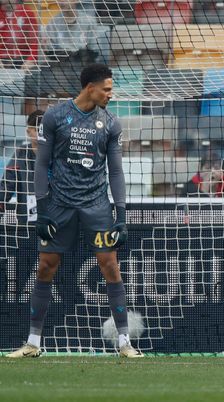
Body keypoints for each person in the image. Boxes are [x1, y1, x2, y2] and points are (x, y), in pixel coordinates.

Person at [6, 64, 142, 358]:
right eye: (106, 88)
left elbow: (115, 172)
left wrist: (121, 214)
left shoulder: (111, 123)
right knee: (44, 268)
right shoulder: (55, 116)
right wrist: (42, 211)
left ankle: (124, 343)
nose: (111, 93)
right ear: (89, 88)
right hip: (59, 204)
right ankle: (33, 343)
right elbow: (42, 164)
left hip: (96, 205)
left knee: (110, 267)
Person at [0, 110, 44, 224]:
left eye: (44, 129)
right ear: (28, 131)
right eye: (37, 129)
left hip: (56, 222)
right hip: (27, 222)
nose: (41, 133)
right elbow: (6, 187)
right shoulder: (20, 154)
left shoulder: (58, 154)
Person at [0, 0, 39, 69]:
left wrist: (32, 59)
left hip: (24, 59)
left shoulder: (27, 12)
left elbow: (34, 40)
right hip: (3, 58)